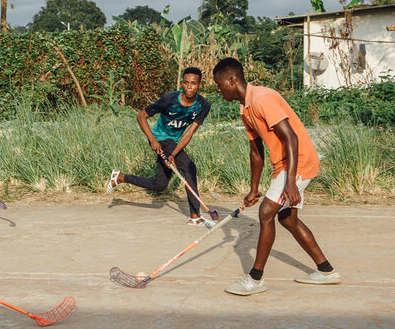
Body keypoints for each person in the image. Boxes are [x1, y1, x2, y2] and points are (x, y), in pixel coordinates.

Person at [212, 57, 339, 295]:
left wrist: (290, 181)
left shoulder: (262, 99)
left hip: (298, 162)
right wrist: (253, 188)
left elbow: (291, 137)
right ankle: (326, 271)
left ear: (232, 79)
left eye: (219, 85)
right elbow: (256, 151)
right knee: (288, 219)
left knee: (266, 212)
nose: (218, 90)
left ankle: (255, 279)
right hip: (284, 165)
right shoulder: (245, 108)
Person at [106, 67, 214, 227]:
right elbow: (141, 116)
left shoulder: (202, 105)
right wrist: (153, 140)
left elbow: (188, 134)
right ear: (182, 83)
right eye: (186, 83)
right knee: (189, 167)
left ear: (199, 85)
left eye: (193, 83)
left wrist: (174, 154)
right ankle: (195, 216)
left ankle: (121, 177)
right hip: (161, 138)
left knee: (160, 185)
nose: (189, 87)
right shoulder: (169, 99)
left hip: (175, 142)